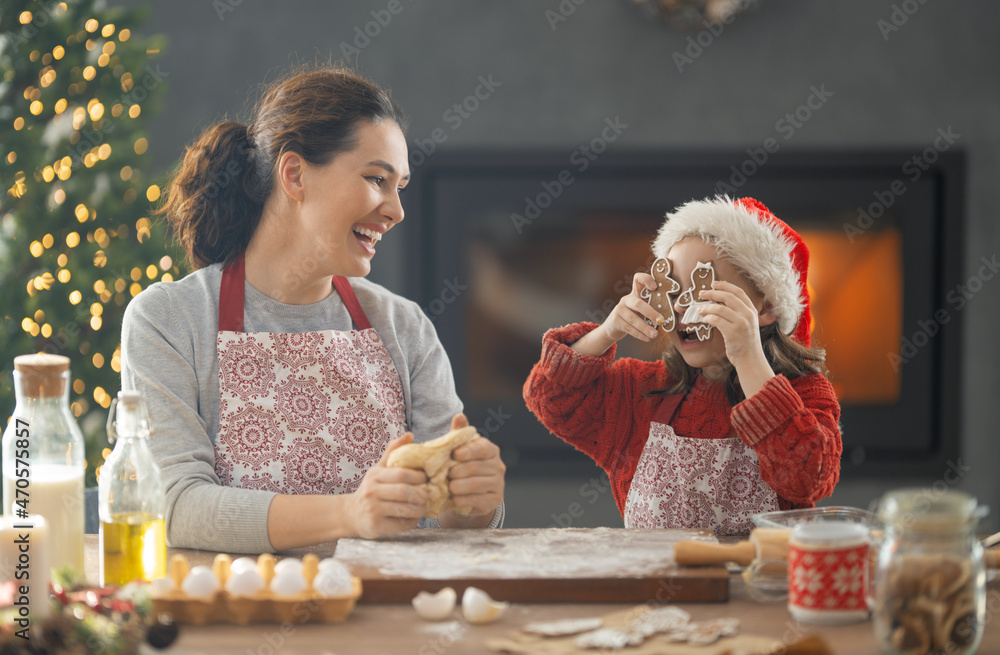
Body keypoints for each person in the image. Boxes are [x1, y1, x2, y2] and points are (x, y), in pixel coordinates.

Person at [120, 67, 505, 554]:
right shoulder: (170, 320)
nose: (396, 210)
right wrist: (350, 513)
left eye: (400, 186)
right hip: (246, 611)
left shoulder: (403, 326)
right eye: (376, 179)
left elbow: (454, 515)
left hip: (389, 615)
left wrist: (475, 499)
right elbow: (173, 505)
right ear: (295, 175)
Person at [523, 196, 841, 535]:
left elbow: (809, 477)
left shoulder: (805, 393)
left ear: (765, 306)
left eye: (704, 292)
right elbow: (551, 398)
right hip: (650, 583)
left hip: (757, 586)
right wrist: (606, 332)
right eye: (673, 292)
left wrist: (747, 356)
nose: (682, 310)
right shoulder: (639, 393)